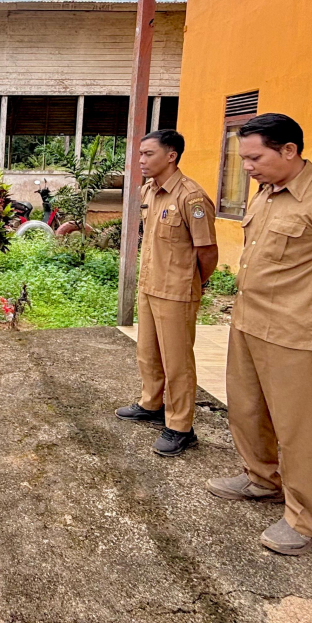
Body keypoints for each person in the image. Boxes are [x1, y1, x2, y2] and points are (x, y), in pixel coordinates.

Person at [206, 113, 312, 555]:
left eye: (255, 157)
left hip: (297, 334)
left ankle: (306, 520)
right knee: (247, 410)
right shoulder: (266, 196)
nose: (247, 167)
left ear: (289, 150)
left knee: (299, 427)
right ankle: (261, 479)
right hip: (249, 323)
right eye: (243, 158)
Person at [116, 129, 218, 456]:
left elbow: (208, 251)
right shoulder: (150, 191)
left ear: (171, 155)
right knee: (147, 352)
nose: (141, 160)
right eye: (140, 154)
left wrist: (194, 283)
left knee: (177, 361)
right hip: (150, 284)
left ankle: (180, 426)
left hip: (176, 291)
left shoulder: (192, 197)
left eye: (148, 154)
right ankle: (151, 403)